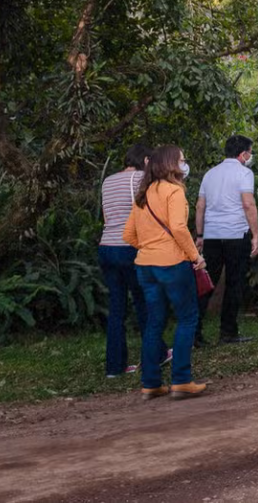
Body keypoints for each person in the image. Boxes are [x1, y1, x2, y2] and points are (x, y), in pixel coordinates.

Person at [122, 144, 206, 399]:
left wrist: (149, 247)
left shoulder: (143, 193)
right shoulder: (174, 191)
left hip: (145, 266)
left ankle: (151, 383)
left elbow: (128, 235)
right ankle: (181, 380)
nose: (184, 164)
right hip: (172, 263)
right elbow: (179, 228)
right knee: (187, 318)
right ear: (171, 164)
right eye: (182, 160)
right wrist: (195, 256)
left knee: (154, 322)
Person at [98, 144, 170, 377]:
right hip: (130, 247)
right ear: (146, 160)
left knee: (117, 308)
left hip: (107, 247)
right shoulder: (142, 179)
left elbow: (107, 216)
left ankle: (115, 367)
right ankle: (157, 355)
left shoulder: (108, 181)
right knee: (145, 302)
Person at [195, 135, 258, 346]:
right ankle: (228, 332)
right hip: (235, 234)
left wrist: (200, 235)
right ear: (243, 154)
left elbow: (200, 206)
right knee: (234, 283)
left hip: (212, 235)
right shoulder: (244, 173)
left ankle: (194, 331)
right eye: (250, 152)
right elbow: (248, 204)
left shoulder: (210, 174)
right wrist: (256, 236)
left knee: (207, 284)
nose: (250, 156)